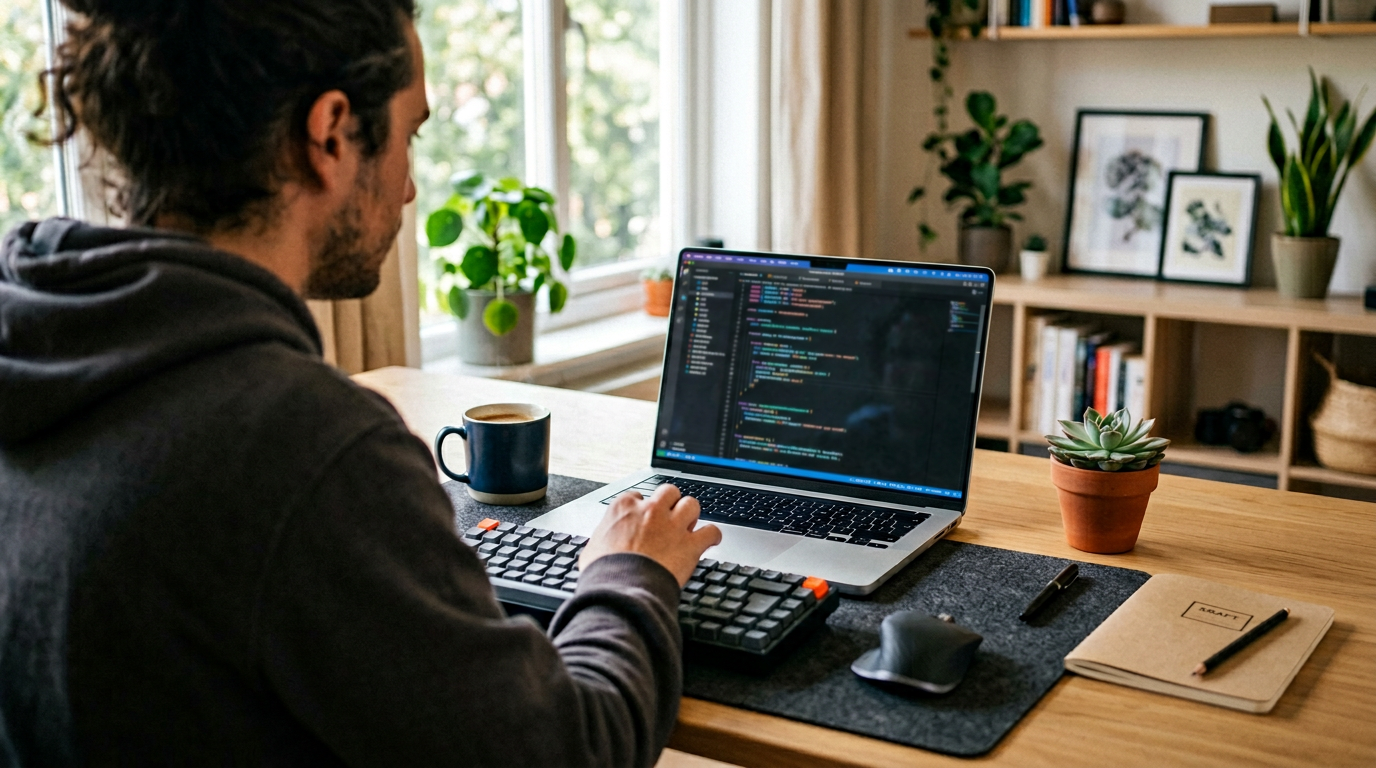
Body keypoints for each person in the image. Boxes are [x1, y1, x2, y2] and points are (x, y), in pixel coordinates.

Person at [0, 1, 720, 765]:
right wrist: (627, 572)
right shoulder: (306, 446)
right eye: (410, 134)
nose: (410, 190)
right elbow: (575, 750)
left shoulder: (40, 361)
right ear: (332, 133)